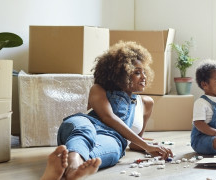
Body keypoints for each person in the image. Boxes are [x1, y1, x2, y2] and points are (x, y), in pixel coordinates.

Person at [41, 41, 173, 180]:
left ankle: (67, 170)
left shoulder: (146, 103)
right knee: (85, 132)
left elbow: (135, 142)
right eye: (137, 72)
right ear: (122, 74)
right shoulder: (99, 89)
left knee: (114, 150)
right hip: (85, 123)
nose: (144, 77)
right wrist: (146, 145)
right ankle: (73, 165)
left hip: (113, 138)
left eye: (144, 72)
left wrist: (153, 147)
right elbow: (108, 117)